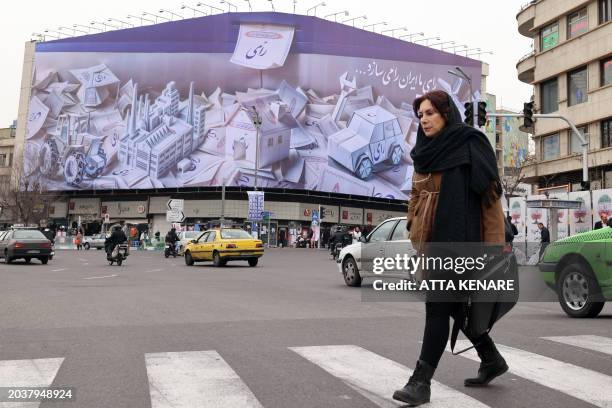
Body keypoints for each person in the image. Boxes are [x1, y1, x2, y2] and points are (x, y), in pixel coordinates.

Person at [393, 90, 507, 406]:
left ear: (446, 113)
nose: (425, 120)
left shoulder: (471, 145)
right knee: (457, 308)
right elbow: (415, 198)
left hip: (466, 243)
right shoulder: (424, 153)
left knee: (438, 308)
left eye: (430, 113)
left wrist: (494, 251)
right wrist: (415, 227)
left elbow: (491, 204)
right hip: (434, 244)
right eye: (420, 115)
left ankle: (421, 382)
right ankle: (491, 358)